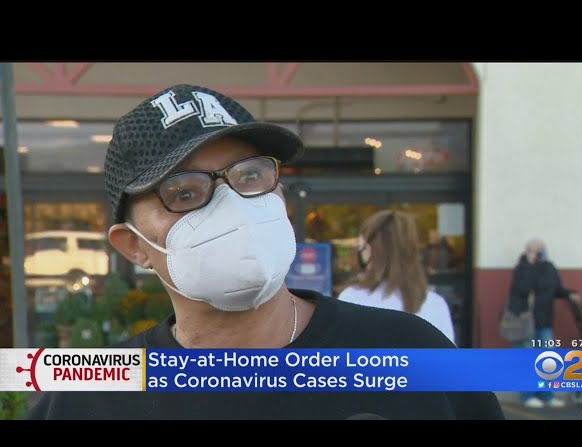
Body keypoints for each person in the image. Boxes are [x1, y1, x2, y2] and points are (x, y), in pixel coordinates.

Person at [25, 84, 504, 420]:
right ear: (133, 246)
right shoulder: (89, 400)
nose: (233, 205)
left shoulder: (410, 352)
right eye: (185, 192)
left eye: (250, 176)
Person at [338, 210, 456, 344]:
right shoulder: (435, 304)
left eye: (361, 249)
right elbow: (447, 356)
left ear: (370, 249)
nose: (362, 258)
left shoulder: (351, 299)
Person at [507, 238, 581, 409]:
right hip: (525, 321)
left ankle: (547, 395)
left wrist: (569, 294)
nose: (539, 253)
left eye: (541, 249)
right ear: (528, 251)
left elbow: (556, 288)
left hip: (544, 320)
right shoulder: (521, 269)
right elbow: (522, 289)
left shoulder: (549, 268)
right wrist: (529, 264)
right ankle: (527, 395)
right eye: (535, 250)